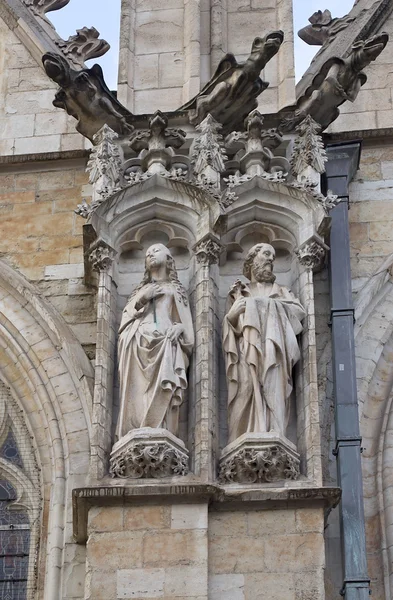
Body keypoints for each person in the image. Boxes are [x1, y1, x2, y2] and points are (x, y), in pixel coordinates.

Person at [223, 243, 305, 443]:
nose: (270, 259)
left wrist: (265, 305)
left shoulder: (281, 291)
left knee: (273, 387)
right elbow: (230, 326)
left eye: (273, 256)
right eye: (266, 254)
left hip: (274, 350)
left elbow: (299, 312)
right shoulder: (239, 293)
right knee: (245, 389)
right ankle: (244, 434)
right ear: (252, 260)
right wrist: (233, 314)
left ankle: (273, 431)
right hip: (245, 353)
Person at [116, 244, 194, 440]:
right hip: (137, 345)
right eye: (148, 253)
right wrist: (142, 299)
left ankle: (162, 427)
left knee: (164, 384)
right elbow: (126, 320)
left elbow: (188, 330)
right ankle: (136, 425)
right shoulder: (139, 291)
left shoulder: (176, 290)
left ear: (169, 260)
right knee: (138, 390)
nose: (150, 254)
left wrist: (180, 328)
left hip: (166, 344)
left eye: (156, 251)